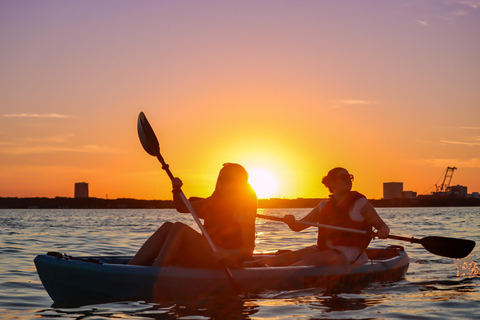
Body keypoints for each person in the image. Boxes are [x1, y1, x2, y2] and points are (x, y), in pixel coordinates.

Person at [248, 167, 390, 267]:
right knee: (290, 256)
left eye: (350, 177)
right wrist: (290, 221)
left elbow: (383, 227)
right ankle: (247, 266)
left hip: (350, 252)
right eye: (343, 177)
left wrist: (383, 231)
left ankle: (278, 275)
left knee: (313, 258)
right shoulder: (323, 206)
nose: (348, 180)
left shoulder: (361, 204)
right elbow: (298, 226)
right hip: (325, 249)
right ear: (332, 183)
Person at [128, 163, 257, 268]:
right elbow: (183, 207)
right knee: (168, 226)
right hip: (208, 254)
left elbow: (249, 249)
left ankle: (156, 271)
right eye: (220, 178)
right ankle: (131, 267)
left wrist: (228, 253)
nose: (222, 183)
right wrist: (176, 190)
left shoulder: (244, 207)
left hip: (225, 261)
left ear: (238, 183)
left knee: (179, 228)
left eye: (228, 179)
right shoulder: (215, 200)